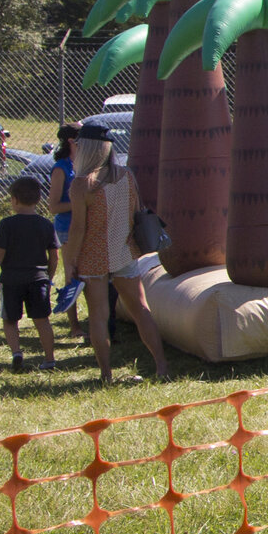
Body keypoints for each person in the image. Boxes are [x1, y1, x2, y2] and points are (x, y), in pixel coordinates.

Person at [63, 123, 171, 384]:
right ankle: (161, 366)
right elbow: (134, 213)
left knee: (98, 316)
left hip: (93, 256)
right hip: (124, 251)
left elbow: (78, 229)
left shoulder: (81, 185)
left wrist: (70, 261)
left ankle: (106, 375)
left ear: (85, 149)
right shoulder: (127, 176)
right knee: (140, 309)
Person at [0, 175, 59, 373]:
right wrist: (49, 277)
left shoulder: (7, 224)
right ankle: (50, 359)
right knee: (42, 320)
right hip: (38, 279)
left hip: (11, 280)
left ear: (14, 200)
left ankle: (17, 353)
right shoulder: (46, 224)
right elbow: (54, 256)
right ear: (38, 200)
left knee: (10, 320)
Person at [46, 126, 83, 336]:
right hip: (67, 229)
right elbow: (54, 207)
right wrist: (80, 203)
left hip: (86, 225)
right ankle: (74, 326)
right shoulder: (61, 168)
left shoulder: (85, 164)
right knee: (72, 274)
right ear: (71, 141)